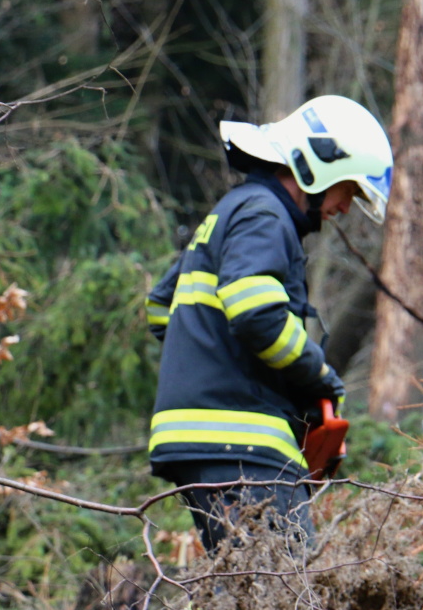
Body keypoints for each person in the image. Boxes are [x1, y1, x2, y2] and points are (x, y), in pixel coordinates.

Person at [144, 95, 393, 553]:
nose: (344, 208)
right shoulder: (265, 214)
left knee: (244, 597)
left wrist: (214, 361)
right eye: (350, 191)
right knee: (285, 604)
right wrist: (319, 377)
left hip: (205, 444)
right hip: (241, 448)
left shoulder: (234, 210)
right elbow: (256, 313)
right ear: (320, 166)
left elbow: (163, 308)